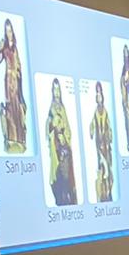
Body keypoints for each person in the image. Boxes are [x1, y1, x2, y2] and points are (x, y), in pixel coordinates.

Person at [0, 18, 27, 154]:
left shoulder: (15, 47)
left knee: (18, 107)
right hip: (8, 80)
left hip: (16, 79)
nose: (9, 33)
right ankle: (12, 138)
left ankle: (20, 139)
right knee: (10, 107)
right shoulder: (6, 46)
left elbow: (18, 63)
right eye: (7, 30)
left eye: (10, 30)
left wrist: (18, 73)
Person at [45, 78, 77, 206]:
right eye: (55, 90)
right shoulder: (51, 108)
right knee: (58, 177)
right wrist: (54, 130)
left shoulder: (62, 108)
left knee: (67, 177)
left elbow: (68, 129)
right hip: (56, 150)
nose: (57, 92)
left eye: (58, 90)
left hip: (65, 149)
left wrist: (64, 137)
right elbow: (49, 128)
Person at [89, 81, 115, 203]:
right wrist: (91, 131)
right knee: (101, 167)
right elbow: (93, 125)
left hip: (106, 145)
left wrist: (109, 137)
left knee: (108, 168)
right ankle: (102, 194)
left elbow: (109, 126)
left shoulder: (105, 111)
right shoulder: (95, 111)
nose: (99, 97)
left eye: (100, 94)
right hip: (99, 144)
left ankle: (108, 192)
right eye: (97, 95)